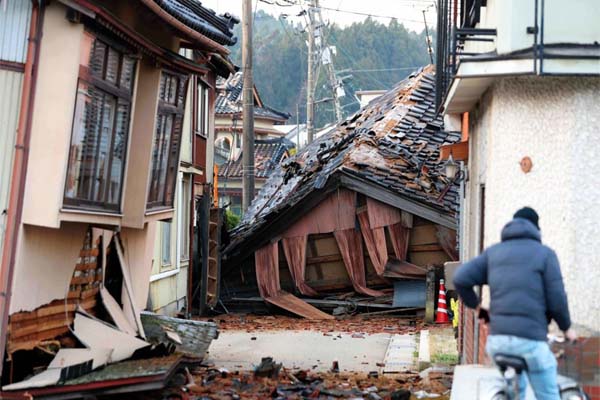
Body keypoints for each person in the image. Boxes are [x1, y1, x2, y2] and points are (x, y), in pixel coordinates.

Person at [454, 207, 576, 400]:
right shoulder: (545, 255)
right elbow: (557, 300)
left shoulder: (493, 253)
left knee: (517, 392)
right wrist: (567, 328)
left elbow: (460, 278)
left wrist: (479, 310)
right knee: (548, 394)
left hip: (497, 343)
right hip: (531, 342)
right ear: (536, 228)